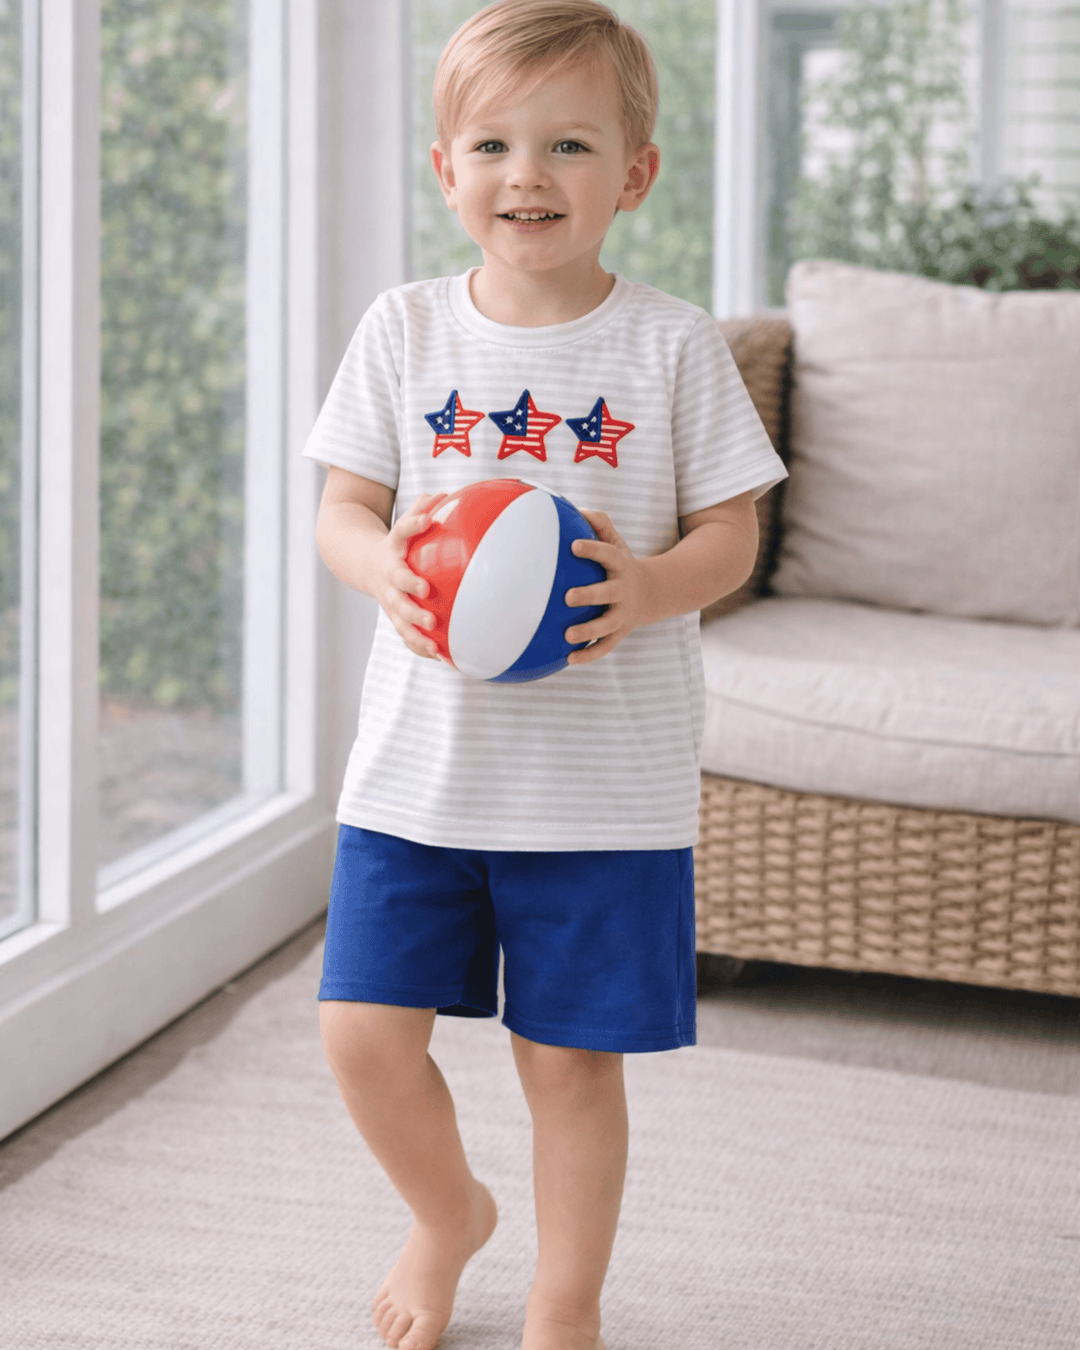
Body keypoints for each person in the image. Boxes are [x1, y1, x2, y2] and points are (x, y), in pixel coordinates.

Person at [303, 3, 787, 1348]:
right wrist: (380, 564)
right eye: (495, 143)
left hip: (602, 791)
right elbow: (342, 508)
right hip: (419, 774)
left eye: (570, 143)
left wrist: (646, 587)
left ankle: (564, 1301)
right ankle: (449, 1209)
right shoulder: (403, 331)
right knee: (362, 1035)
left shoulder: (673, 346)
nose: (529, 173)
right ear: (444, 169)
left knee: (571, 1064)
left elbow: (733, 533)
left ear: (633, 173)